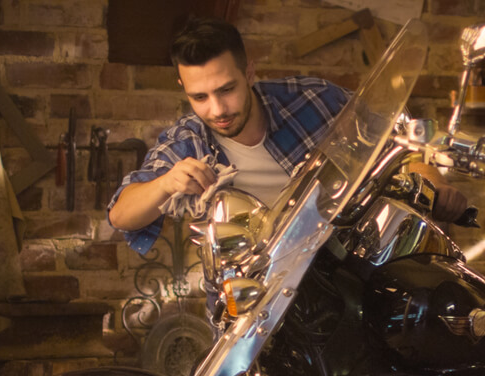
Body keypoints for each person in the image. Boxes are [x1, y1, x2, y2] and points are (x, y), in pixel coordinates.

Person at [108, 17, 465, 256]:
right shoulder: (187, 140)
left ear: (249, 72)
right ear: (183, 89)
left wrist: (430, 184)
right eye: (199, 97)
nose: (217, 109)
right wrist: (165, 184)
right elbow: (120, 215)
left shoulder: (314, 99)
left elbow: (403, 141)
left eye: (227, 89)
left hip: (351, 264)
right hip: (257, 302)